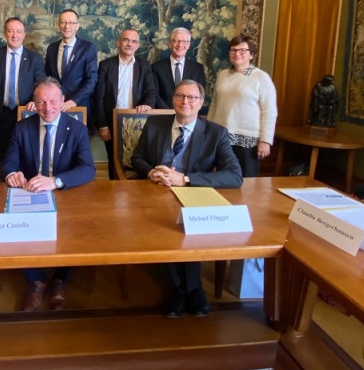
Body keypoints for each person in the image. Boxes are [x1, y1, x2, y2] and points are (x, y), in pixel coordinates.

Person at [131, 79, 242, 318]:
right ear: (173, 100)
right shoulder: (155, 124)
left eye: (192, 97)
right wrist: (150, 172)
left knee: (188, 230)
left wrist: (186, 179)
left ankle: (184, 289)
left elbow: (235, 176)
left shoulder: (216, 133)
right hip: (155, 193)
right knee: (163, 226)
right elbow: (137, 158)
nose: (185, 102)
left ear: (201, 103)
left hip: (193, 194)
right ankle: (189, 289)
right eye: (180, 96)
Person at [0, 77, 96, 311]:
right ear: (34, 103)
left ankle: (60, 279)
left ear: (62, 101)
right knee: (15, 227)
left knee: (77, 228)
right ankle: (36, 280)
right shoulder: (23, 127)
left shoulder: (77, 129)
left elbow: (88, 169)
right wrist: (11, 174)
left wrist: (55, 181)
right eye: (41, 102)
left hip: (64, 193)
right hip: (30, 192)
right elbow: (8, 163)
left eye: (53, 101)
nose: (48, 107)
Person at [207, 34, 278, 178]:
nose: (237, 53)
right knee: (223, 179)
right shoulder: (223, 75)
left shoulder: (261, 77)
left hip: (248, 141)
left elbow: (269, 111)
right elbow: (214, 103)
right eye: (233, 50)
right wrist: (208, 131)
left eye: (242, 50)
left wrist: (265, 141)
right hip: (222, 137)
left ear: (251, 55)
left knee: (247, 181)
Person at [93, 28, 157, 179]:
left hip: (137, 121)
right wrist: (102, 126)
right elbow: (98, 98)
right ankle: (113, 189)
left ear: (138, 45)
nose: (129, 44)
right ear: (119, 42)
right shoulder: (106, 65)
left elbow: (151, 91)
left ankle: (134, 191)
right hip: (112, 122)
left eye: (134, 41)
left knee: (137, 160)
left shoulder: (144, 66)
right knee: (114, 160)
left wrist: (147, 104)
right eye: (126, 40)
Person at [0, 17, 44, 160]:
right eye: (10, 31)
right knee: (6, 157)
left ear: (24, 35)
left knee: (28, 156)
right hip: (2, 115)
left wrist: (35, 101)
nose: (14, 35)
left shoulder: (35, 58)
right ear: (4, 33)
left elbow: (41, 84)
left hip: (27, 113)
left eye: (19, 31)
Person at [44, 9, 98, 126]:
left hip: (79, 107)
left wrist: (74, 100)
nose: (67, 26)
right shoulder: (51, 49)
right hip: (55, 108)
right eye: (63, 22)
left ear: (77, 26)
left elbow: (91, 80)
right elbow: (47, 78)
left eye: (71, 23)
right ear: (59, 25)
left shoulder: (88, 48)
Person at [152, 28, 206, 110]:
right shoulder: (156, 68)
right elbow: (154, 94)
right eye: (176, 41)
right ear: (170, 44)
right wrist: (170, 112)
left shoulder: (197, 69)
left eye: (184, 41)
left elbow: (199, 95)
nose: (180, 45)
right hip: (164, 113)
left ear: (188, 45)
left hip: (188, 113)